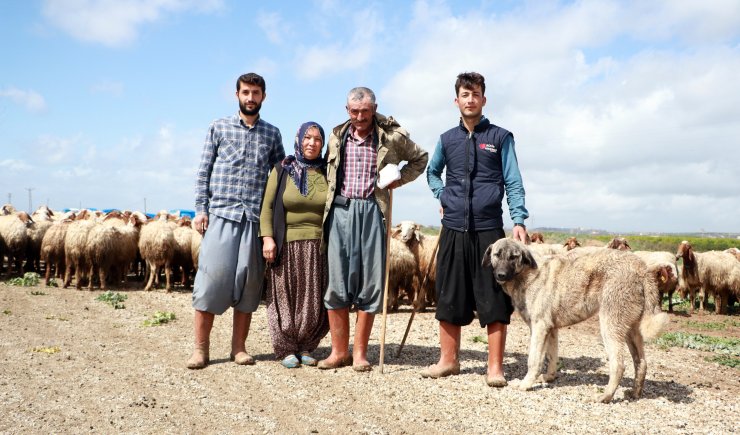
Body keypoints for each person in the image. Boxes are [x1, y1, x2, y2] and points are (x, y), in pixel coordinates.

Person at [424, 72, 529, 387]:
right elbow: (432, 172)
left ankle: (495, 368)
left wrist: (519, 219)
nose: (470, 100)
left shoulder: (500, 137)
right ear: (456, 100)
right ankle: (448, 360)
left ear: (484, 99)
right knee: (448, 293)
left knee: (494, 297)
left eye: (475, 94)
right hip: (453, 228)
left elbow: (513, 180)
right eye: (464, 95)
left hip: (489, 231)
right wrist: (442, 195)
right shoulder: (447, 139)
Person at [318, 87, 428, 372]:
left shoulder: (391, 137)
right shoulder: (336, 136)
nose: (359, 117)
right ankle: (338, 352)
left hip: (372, 210)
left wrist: (398, 180)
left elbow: (421, 158)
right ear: (347, 110)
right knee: (337, 282)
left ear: (374, 108)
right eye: (354, 112)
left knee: (370, 283)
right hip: (340, 211)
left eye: (365, 111)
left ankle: (360, 354)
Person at [187, 73, 285, 369]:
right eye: (245, 92)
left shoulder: (272, 134)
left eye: (256, 93)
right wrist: (200, 209)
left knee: (249, 284)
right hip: (222, 214)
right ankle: (200, 350)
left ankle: (238, 348)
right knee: (211, 281)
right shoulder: (218, 127)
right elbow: (204, 170)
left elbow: (280, 176)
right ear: (237, 94)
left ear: (263, 97)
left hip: (255, 219)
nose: (250, 98)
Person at [259, 122, 330, 369]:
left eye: (317, 139)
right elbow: (267, 207)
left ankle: (307, 345)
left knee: (312, 298)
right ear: (299, 140)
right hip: (286, 242)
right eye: (307, 138)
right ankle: (286, 347)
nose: (312, 143)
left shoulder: (328, 171)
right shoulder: (283, 169)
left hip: (318, 246)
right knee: (284, 296)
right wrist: (268, 238)